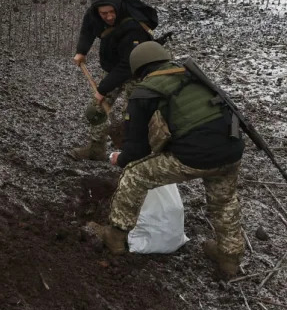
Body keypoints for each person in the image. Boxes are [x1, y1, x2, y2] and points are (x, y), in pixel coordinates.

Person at [87, 41, 246, 278]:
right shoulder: (192, 77)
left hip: (195, 155)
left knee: (135, 174)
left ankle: (115, 237)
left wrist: (120, 160)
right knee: (223, 202)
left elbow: (136, 151)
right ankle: (229, 258)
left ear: (138, 70)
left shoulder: (144, 92)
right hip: (231, 149)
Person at [70, 0, 159, 161]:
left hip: (137, 72)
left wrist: (102, 89)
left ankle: (135, 156)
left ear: (117, 7)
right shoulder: (93, 13)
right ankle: (96, 150)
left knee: (133, 117)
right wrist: (81, 51)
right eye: (104, 13)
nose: (109, 16)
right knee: (94, 111)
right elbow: (88, 28)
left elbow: (127, 66)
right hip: (113, 68)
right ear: (97, 11)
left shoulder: (133, 26)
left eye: (112, 12)